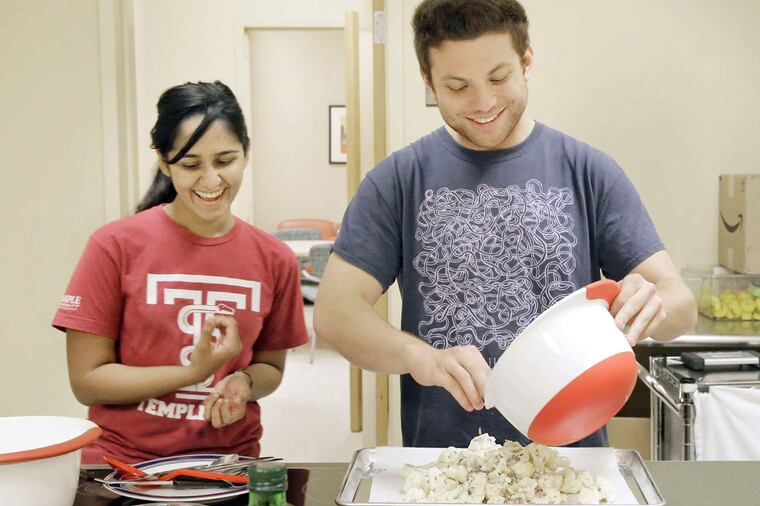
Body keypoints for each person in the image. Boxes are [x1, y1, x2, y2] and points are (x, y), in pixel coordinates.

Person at [314, 0, 697, 448]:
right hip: (445, 470)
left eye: (498, 78)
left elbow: (680, 306)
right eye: (457, 87)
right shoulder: (397, 181)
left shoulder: (588, 171)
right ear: (428, 82)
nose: (483, 103)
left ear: (526, 61)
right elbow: (335, 314)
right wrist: (418, 357)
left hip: (569, 466)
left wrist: (650, 307)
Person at [53, 81, 308, 463]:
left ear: (246, 153)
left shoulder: (275, 258)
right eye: (191, 165)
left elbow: (269, 366)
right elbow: (87, 382)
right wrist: (193, 373)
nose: (211, 180)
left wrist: (243, 382)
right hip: (124, 465)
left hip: (227, 465)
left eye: (225, 161)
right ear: (163, 161)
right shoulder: (114, 246)